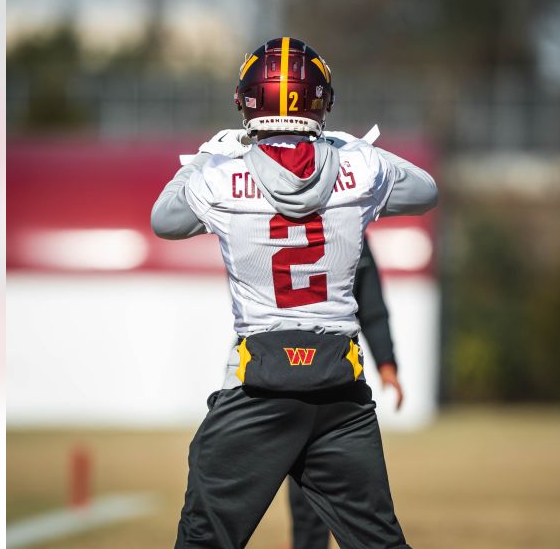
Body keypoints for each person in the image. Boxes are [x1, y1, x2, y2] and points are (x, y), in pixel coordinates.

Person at [151, 37, 437, 549]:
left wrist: (203, 159)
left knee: (204, 539)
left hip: (259, 387)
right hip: (339, 393)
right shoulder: (363, 171)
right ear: (321, 99)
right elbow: (425, 189)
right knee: (379, 542)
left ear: (246, 99)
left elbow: (164, 220)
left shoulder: (220, 176)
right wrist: (352, 151)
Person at [287, 238, 402, 549]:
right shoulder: (264, 213)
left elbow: (372, 306)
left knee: (349, 493)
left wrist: (386, 363)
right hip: (275, 380)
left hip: (333, 379)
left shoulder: (351, 226)